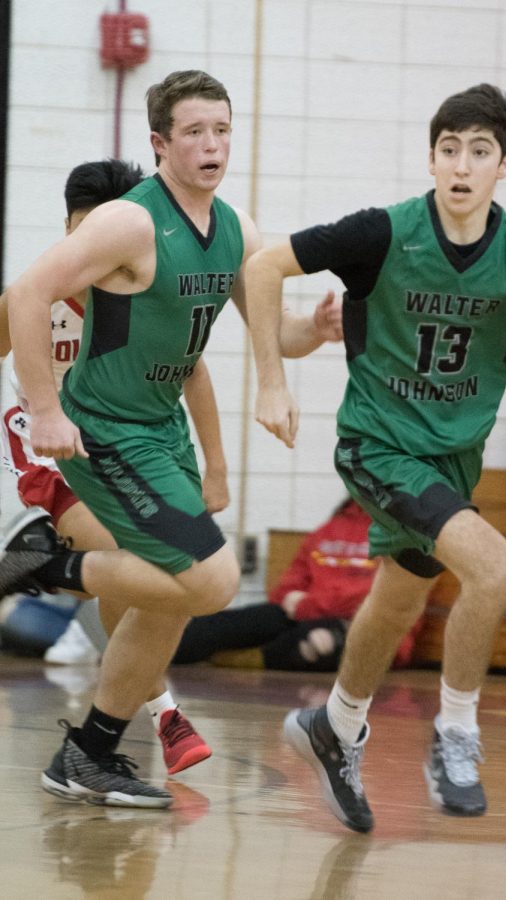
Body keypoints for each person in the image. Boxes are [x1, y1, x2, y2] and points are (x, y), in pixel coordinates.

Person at [244, 83, 506, 833]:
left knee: (396, 599)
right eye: (448, 148)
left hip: (451, 460)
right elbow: (264, 268)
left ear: (503, 165)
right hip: (378, 442)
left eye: (478, 151)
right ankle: (457, 734)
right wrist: (272, 383)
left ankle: (333, 730)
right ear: (430, 157)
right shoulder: (380, 233)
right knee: (495, 568)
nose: (460, 164)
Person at [0, 70, 341, 809]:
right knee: (213, 580)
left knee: (169, 602)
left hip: (161, 433)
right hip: (107, 431)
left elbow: (269, 330)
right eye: (194, 131)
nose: (212, 144)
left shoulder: (237, 231)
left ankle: (86, 754)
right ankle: (50, 569)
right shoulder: (127, 221)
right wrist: (48, 410)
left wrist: (311, 333)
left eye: (221, 129)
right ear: (160, 143)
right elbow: (24, 294)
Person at [0, 158, 221, 772]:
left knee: (164, 581)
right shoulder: (39, 290)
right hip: (53, 451)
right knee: (147, 567)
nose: (95, 248)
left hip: (128, 447)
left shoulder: (142, 291)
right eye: (82, 231)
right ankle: (163, 715)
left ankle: (43, 569)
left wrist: (217, 467)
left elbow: (195, 373)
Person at [172, 498, 420, 670]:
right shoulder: (331, 528)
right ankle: (161, 650)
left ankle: (251, 658)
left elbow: (380, 598)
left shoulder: (404, 534)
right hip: (304, 614)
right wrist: (302, 603)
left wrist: (310, 604)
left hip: (363, 629)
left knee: (317, 641)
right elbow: (286, 590)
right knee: (243, 621)